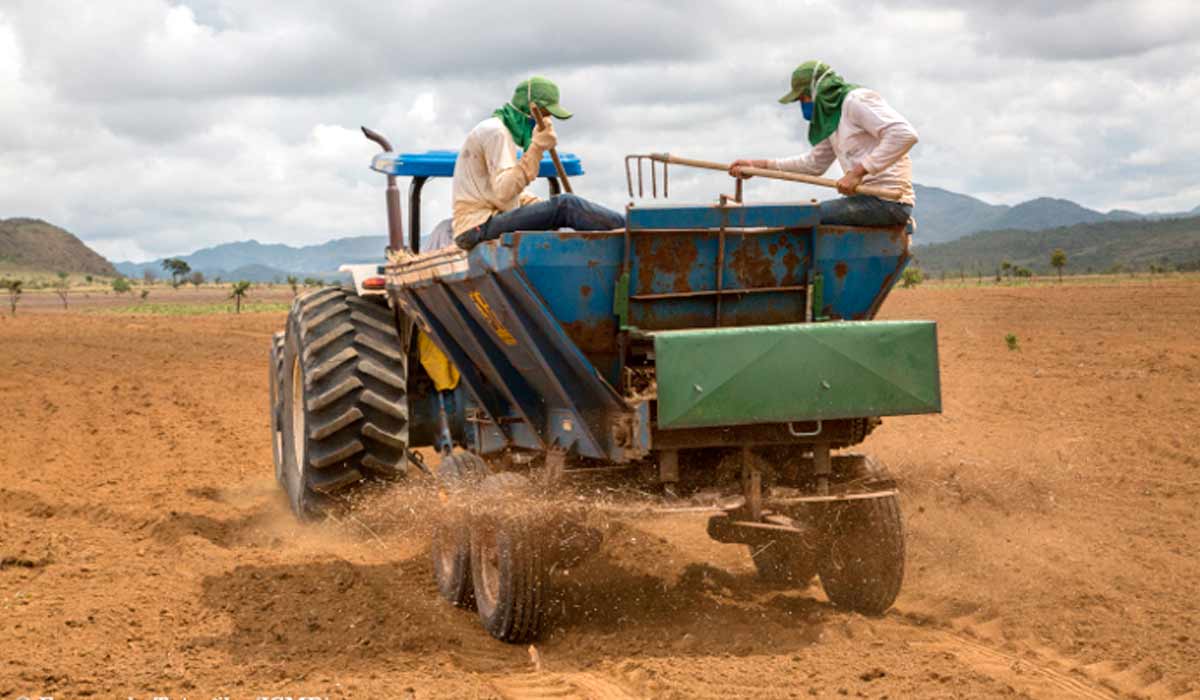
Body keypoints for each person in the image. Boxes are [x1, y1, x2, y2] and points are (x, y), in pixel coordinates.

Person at [730, 60, 918, 228]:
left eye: (803, 98)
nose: (802, 104)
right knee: (802, 214)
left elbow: (904, 134)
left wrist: (858, 172)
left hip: (888, 202)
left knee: (805, 216)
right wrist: (757, 166)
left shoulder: (856, 101)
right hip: (864, 199)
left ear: (817, 90)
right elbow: (813, 164)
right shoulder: (832, 118)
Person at [452, 76, 625, 250]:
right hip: (478, 226)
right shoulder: (495, 133)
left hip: (480, 223)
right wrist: (536, 148)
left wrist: (536, 204)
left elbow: (499, 193)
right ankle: (635, 228)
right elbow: (504, 192)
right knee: (566, 205)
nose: (545, 123)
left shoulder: (498, 132)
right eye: (544, 115)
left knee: (556, 206)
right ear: (530, 110)